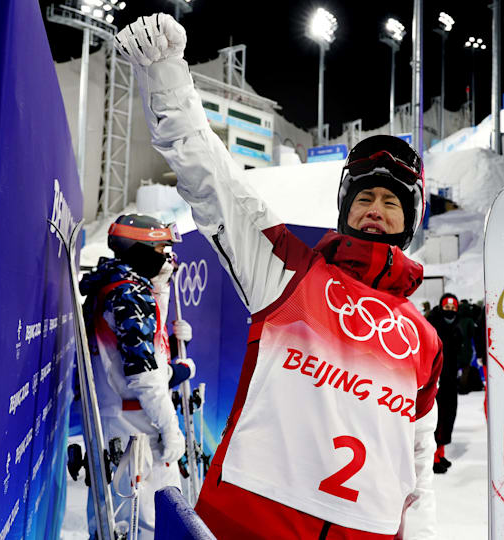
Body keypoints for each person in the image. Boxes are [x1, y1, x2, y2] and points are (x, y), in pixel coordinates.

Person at [116, 14, 442, 538]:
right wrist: (167, 79)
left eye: (390, 200)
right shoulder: (290, 271)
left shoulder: (424, 339)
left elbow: (419, 454)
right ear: (345, 208)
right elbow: (215, 184)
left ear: (411, 218)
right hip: (248, 525)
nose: (375, 208)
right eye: (364, 197)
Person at [79, 214, 195, 540]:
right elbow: (145, 375)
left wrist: (169, 341)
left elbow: (135, 351)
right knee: (143, 523)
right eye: (160, 248)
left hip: (120, 421)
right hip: (138, 429)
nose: (167, 256)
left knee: (116, 519)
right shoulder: (130, 296)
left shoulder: (116, 286)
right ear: (139, 248)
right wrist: (172, 430)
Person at [426, 294, 469, 474]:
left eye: (453, 309)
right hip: (435, 377)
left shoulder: (458, 324)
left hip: (450, 377)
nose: (450, 311)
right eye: (447, 308)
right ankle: (431, 457)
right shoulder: (432, 323)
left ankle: (440, 452)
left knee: (449, 415)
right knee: (437, 417)